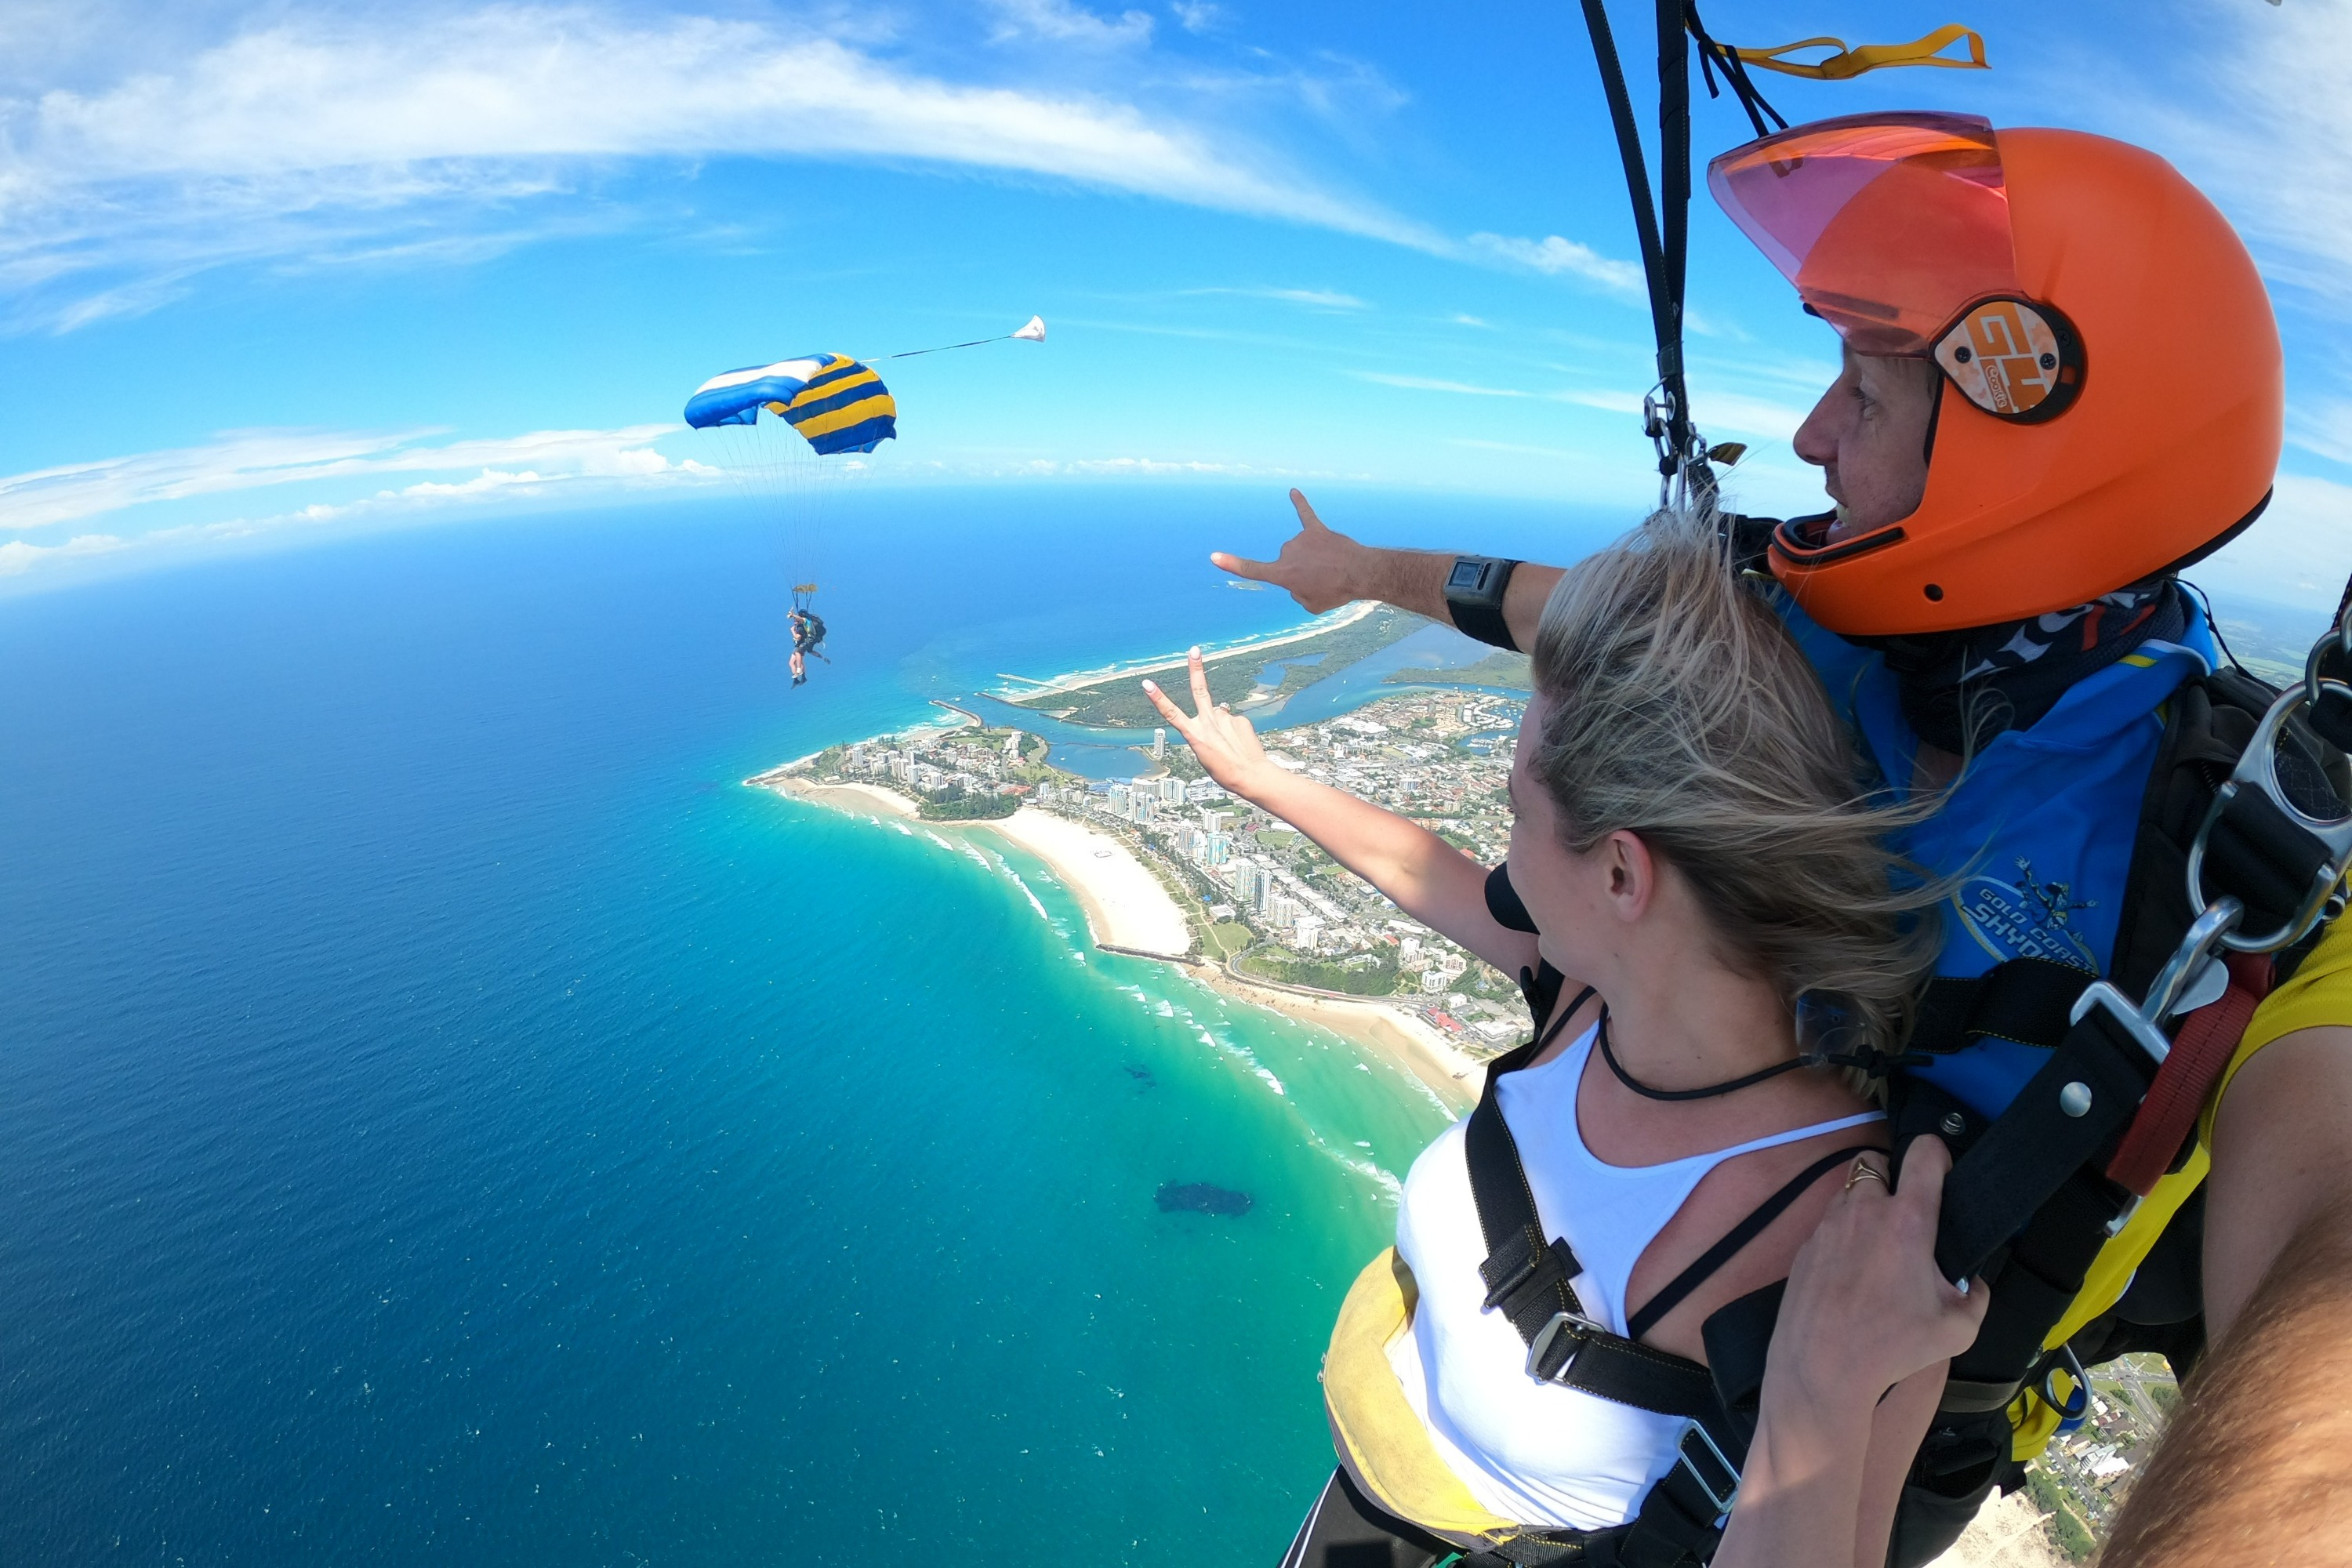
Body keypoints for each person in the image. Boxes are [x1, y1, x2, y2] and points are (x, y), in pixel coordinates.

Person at [1211, 114, 2352, 1564]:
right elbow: (1577, 619)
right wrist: (1363, 572)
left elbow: (2331, 1296)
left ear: (2025, 451)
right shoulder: (1827, 634)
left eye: (1864, 400)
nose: (1811, 435)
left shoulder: (2242, 868)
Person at [1148, 511, 1958, 1568]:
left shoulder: (1840, 1234)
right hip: (1380, 1499)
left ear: (1623, 874)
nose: (1503, 846)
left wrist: (1824, 1396)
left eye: (1516, 806)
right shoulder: (1593, 997)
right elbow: (1423, 872)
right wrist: (1261, 779)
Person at [786, 605, 829, 688]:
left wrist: (792, 631)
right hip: (802, 644)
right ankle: (797, 679)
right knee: (791, 662)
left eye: (795, 620)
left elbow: (798, 637)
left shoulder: (801, 626)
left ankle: (800, 672)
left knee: (799, 656)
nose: (795, 621)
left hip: (803, 643)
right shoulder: (803, 623)